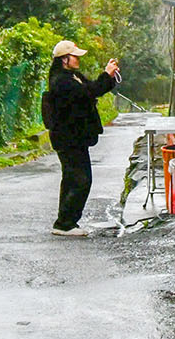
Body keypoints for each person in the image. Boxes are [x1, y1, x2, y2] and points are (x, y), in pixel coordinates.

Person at [46, 39, 120, 237]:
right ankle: (65, 223)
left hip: (75, 137)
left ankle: (66, 221)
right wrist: (106, 74)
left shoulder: (73, 76)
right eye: (75, 56)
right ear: (64, 59)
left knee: (74, 179)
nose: (78, 59)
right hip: (67, 138)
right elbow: (88, 93)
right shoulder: (61, 81)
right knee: (79, 179)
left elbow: (94, 88)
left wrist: (109, 77)